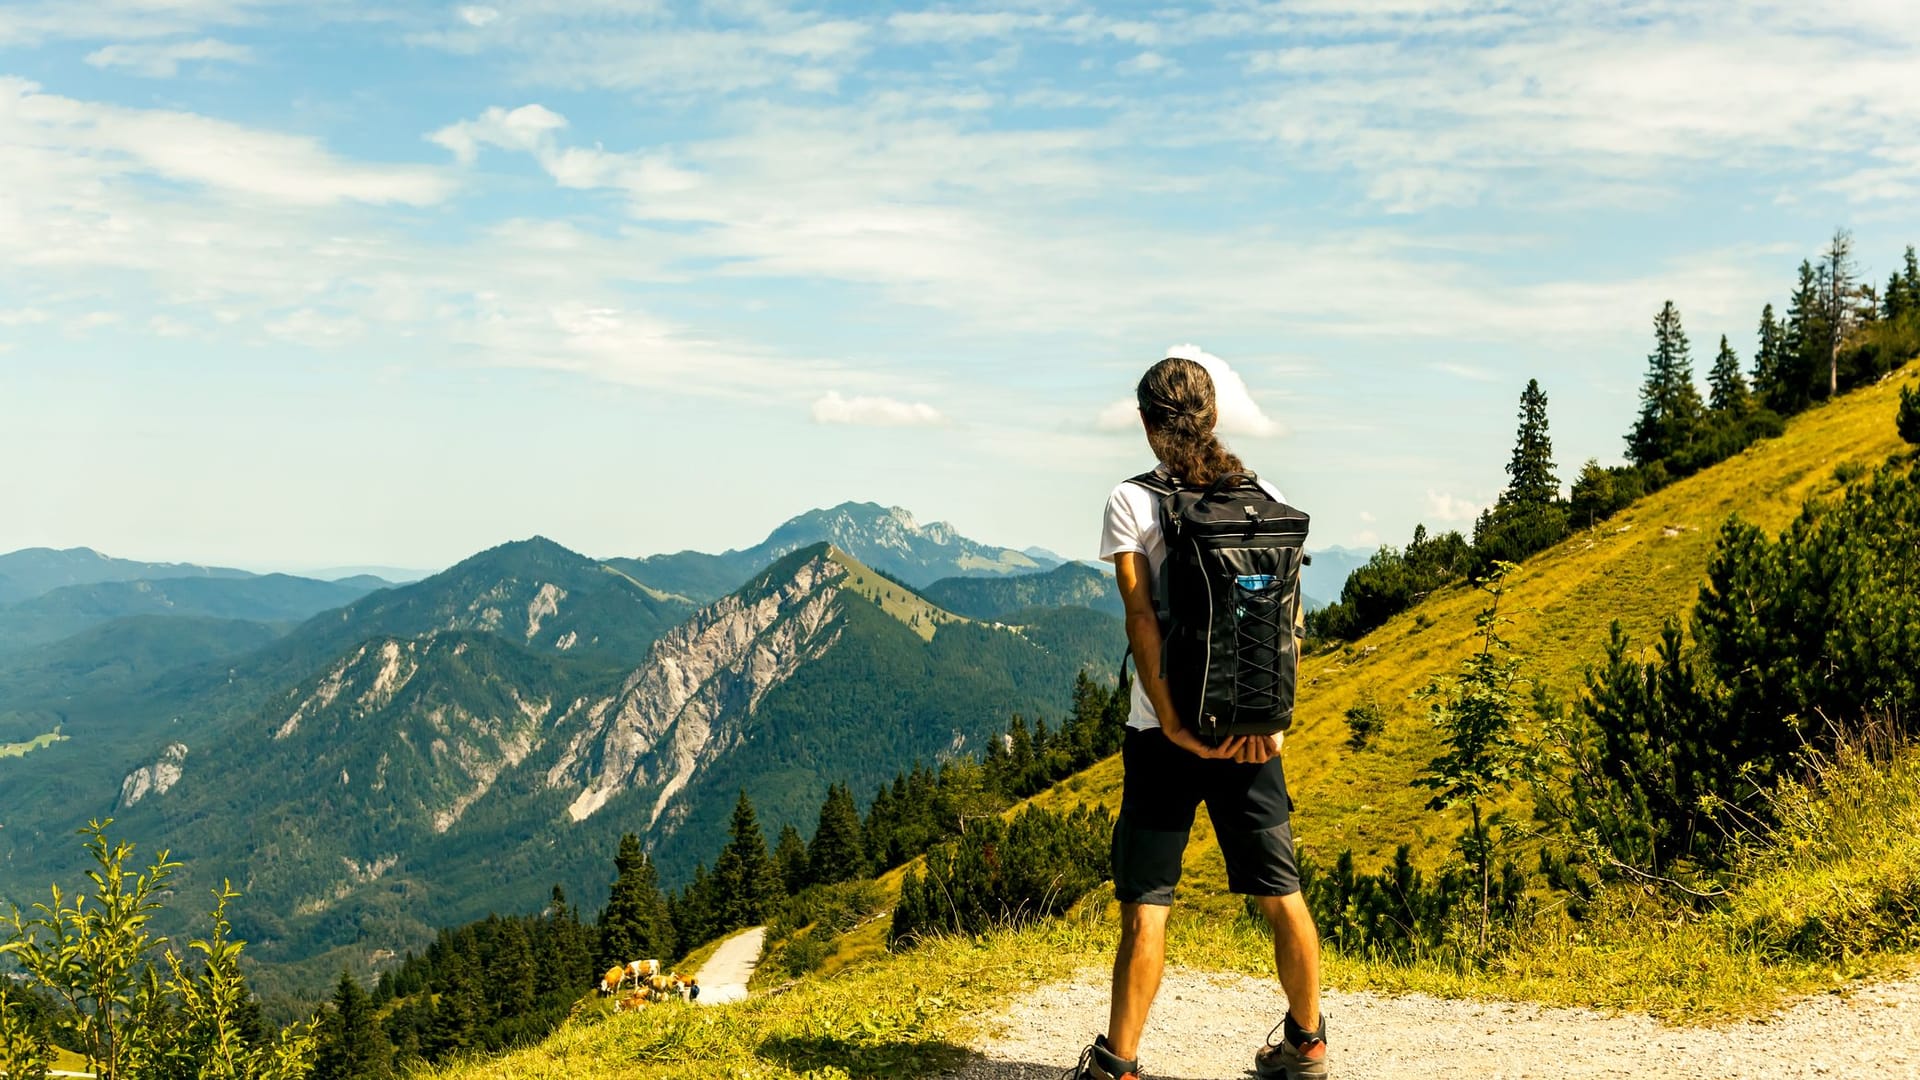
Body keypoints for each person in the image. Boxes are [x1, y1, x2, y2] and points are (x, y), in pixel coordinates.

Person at [1072, 356, 1327, 1080]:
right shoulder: (1264, 496)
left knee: (1147, 904)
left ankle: (1118, 1064)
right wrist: (1276, 715)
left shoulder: (1132, 500)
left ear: (1151, 426)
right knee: (1282, 894)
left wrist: (1177, 722)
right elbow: (1288, 622)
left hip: (1163, 736)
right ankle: (1306, 1045)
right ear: (1213, 419)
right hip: (1250, 734)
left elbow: (1141, 620)